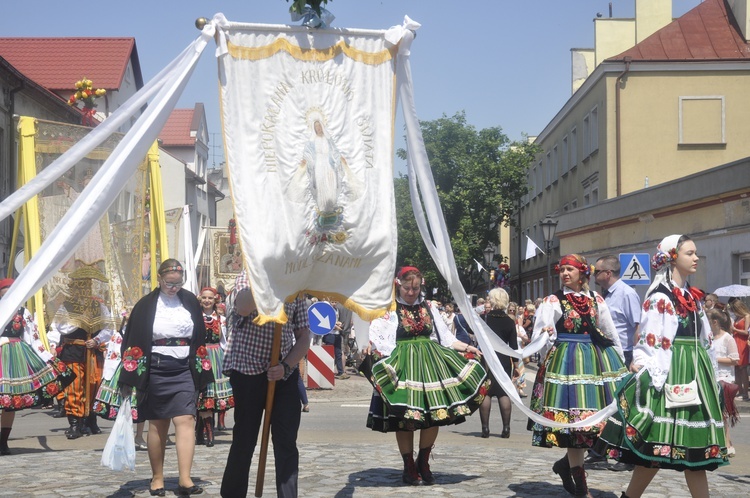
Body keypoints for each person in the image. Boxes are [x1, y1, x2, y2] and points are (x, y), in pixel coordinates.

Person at [595, 235, 728, 498]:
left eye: (696, 253)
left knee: (694, 449)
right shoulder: (660, 297)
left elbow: (705, 340)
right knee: (655, 447)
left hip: (695, 372)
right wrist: (644, 369)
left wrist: (713, 376)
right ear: (672, 257)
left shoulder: (691, 296)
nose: (696, 258)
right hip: (671, 371)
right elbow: (649, 339)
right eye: (690, 253)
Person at [366, 266, 488, 486]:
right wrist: (374, 352)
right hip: (402, 365)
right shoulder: (388, 309)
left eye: (414, 288)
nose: (411, 292)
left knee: (435, 414)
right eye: (406, 288)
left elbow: (445, 338)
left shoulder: (429, 307)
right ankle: (408, 465)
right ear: (397, 284)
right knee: (404, 418)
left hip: (431, 365)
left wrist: (467, 347)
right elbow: (378, 338)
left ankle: (423, 460)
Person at [528, 254, 627, 498]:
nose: (565, 274)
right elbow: (541, 335)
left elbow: (609, 331)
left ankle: (566, 466)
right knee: (574, 426)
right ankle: (581, 485)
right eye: (562, 270)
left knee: (597, 424)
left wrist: (621, 362)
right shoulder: (553, 300)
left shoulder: (596, 299)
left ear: (582, 272)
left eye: (570, 269)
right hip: (566, 363)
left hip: (595, 364)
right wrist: (545, 340)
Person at [119, 259, 214, 497]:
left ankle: (185, 479)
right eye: (170, 283)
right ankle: (158, 478)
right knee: (158, 424)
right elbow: (133, 339)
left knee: (186, 421)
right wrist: (129, 376)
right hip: (156, 369)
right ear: (160, 279)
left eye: (178, 283)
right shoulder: (146, 305)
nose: (174, 287)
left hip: (184, 368)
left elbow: (200, 335)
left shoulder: (190, 301)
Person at [220, 270, 311, 498]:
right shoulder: (247, 275)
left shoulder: (296, 284)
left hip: (282, 373)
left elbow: (303, 336)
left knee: (286, 441)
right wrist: (271, 281)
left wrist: (287, 366)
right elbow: (243, 306)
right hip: (248, 370)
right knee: (245, 438)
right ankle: (233, 494)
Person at [0, 278, 75, 455]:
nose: (8, 293)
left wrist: (47, 357)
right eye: (5, 290)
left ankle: (3, 442)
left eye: (10, 290)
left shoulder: (22, 312)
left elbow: (32, 338)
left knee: (10, 402)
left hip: (15, 357)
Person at [48, 266, 116, 439]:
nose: (82, 290)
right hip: (73, 351)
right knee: (74, 388)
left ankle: (90, 420)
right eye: (79, 286)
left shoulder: (97, 306)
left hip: (92, 351)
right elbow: (59, 327)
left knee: (93, 385)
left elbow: (109, 328)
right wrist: (80, 320)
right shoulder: (67, 306)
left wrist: (97, 339)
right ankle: (75, 424)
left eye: (86, 286)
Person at [588, 254, 642, 471]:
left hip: (625, 355)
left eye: (597, 272)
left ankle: (628, 456)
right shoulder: (603, 295)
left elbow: (638, 328)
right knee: (608, 405)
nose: (593, 275)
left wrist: (634, 359)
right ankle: (600, 451)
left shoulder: (627, 294)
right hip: (607, 354)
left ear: (607, 273)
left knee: (624, 407)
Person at [478, 288, 518, 439]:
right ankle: (506, 428)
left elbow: (471, 329)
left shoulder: (484, 319)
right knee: (503, 393)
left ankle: (485, 428)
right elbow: (513, 346)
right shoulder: (509, 321)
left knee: (486, 393)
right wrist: (516, 364)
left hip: (487, 358)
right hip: (503, 360)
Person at [196, 287, 232, 446]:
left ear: (215, 299)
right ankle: (203, 432)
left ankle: (206, 433)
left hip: (216, 355)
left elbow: (224, 341)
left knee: (213, 394)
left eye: (210, 298)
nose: (207, 301)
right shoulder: (196, 317)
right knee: (203, 393)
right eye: (204, 298)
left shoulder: (221, 319)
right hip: (201, 355)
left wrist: (226, 358)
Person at [707, 308, 739, 457]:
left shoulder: (727, 338)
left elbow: (735, 359)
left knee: (722, 413)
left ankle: (726, 444)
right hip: (712, 377)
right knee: (716, 412)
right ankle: (725, 443)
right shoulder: (709, 338)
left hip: (724, 379)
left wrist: (715, 358)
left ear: (715, 322)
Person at [728, 297, 750, 400]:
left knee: (743, 368)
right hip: (736, 341)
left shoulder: (747, 316)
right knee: (737, 368)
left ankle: (745, 393)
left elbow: (746, 332)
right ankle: (740, 391)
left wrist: (735, 329)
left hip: (742, 342)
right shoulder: (737, 318)